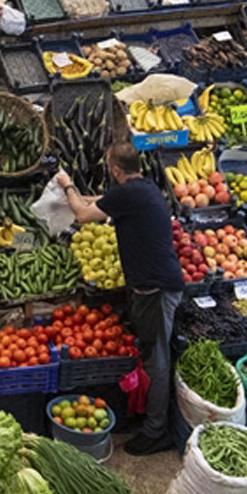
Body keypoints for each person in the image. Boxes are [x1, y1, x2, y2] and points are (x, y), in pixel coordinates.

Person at [56, 142, 184, 455]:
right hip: (153, 286)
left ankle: (157, 431)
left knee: (158, 360)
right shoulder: (143, 188)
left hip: (156, 289)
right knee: (153, 354)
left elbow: (85, 215)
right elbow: (97, 202)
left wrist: (67, 184)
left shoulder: (129, 193)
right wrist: (70, 198)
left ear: (114, 170)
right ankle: (148, 417)